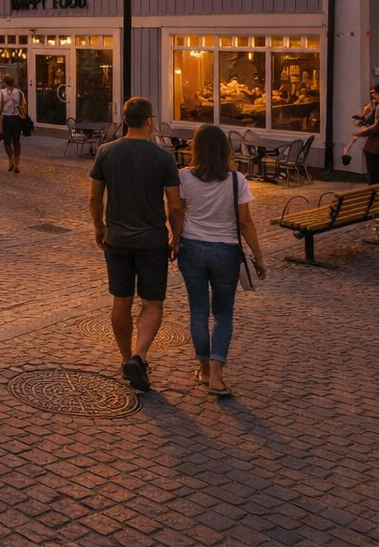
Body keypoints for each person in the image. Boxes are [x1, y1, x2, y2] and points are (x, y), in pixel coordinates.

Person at [89, 96, 184, 394]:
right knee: (152, 302)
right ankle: (140, 356)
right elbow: (175, 205)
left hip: (117, 237)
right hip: (152, 239)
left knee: (121, 299)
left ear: (126, 119)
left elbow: (95, 196)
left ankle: (125, 357)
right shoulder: (163, 157)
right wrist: (176, 236)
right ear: (149, 121)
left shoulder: (106, 152)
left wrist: (99, 226)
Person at [176, 125, 267, 399]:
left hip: (191, 248)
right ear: (225, 149)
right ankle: (217, 375)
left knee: (198, 311)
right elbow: (246, 222)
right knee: (223, 314)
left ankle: (203, 368)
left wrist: (175, 240)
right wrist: (259, 257)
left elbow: (177, 211)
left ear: (196, 148)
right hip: (226, 251)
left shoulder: (183, 177)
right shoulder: (237, 180)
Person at [0, 74, 27, 173]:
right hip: (17, 118)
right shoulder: (19, 92)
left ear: (4, 83)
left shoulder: (1, 92)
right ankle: (16, 162)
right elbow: (23, 105)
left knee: (7, 141)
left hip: (6, 117)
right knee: (16, 141)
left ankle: (10, 160)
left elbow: (0, 106)